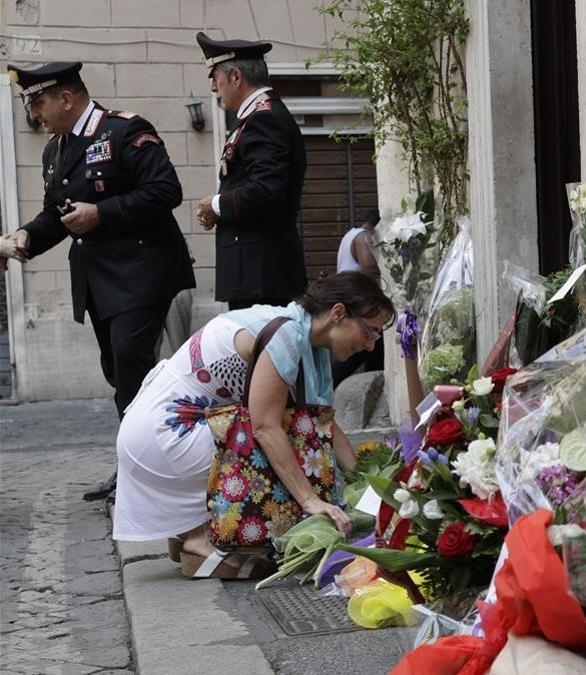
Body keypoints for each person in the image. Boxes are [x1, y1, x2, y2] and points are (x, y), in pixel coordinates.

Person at [112, 272, 394, 578]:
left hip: (156, 430)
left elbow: (323, 421)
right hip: (166, 436)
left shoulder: (295, 327)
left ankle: (190, 530)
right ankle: (197, 541)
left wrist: (367, 486)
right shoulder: (285, 336)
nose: (369, 346)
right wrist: (310, 501)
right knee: (289, 435)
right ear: (339, 313)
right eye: (370, 332)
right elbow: (266, 428)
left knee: (301, 429)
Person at [2, 62, 196, 502]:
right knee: (120, 373)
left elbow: (166, 190)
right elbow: (58, 214)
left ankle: (148, 474)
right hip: (98, 282)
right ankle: (139, 464)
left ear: (66, 98)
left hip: (142, 272)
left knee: (131, 362)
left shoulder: (125, 131)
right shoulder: (55, 150)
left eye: (38, 102)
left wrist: (101, 213)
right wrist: (26, 237)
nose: (34, 114)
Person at [193, 32, 307, 310]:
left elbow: (268, 189)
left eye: (215, 77)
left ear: (235, 78)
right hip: (257, 272)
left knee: (263, 352)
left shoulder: (264, 118)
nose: (212, 88)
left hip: (262, 273)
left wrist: (217, 204)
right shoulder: (255, 117)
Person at [332, 209, 384, 386]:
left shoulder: (351, 234)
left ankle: (374, 393)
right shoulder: (363, 238)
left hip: (355, 304)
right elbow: (371, 271)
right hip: (359, 308)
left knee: (373, 351)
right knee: (352, 356)